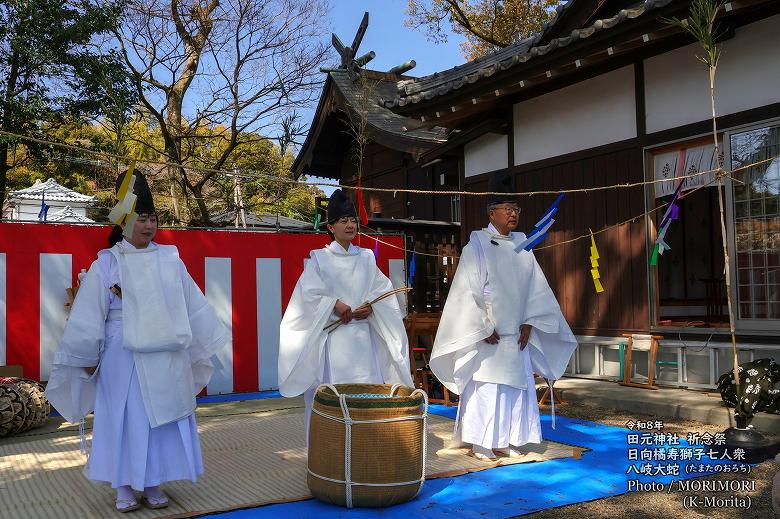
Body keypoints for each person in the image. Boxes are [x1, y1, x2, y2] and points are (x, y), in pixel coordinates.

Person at [45, 171, 230, 512]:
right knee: (124, 415)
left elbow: (192, 304)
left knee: (159, 417)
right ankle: (124, 485)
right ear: (125, 221)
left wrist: (197, 342)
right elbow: (90, 313)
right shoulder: (107, 263)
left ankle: (155, 481)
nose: (148, 226)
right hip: (122, 351)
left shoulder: (170, 260)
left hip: (164, 351)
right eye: (141, 219)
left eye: (153, 219)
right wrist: (87, 352)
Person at [430, 171, 577, 460]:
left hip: (516, 335)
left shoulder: (524, 246)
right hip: (489, 333)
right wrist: (481, 325)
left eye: (516, 209)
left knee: (513, 389)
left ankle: (506, 439)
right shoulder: (478, 246)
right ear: (491, 212)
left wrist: (530, 321)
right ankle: (482, 443)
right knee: (488, 388)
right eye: (507, 209)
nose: (513, 215)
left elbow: (537, 289)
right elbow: (465, 292)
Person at [278, 189, 413, 442]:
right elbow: (308, 295)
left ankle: (365, 448)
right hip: (335, 340)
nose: (350, 225)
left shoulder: (366, 257)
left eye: (352, 220)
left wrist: (372, 305)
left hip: (364, 337)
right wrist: (334, 304)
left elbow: (381, 290)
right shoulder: (320, 259)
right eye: (343, 221)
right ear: (330, 227)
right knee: (334, 394)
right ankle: (330, 451)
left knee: (367, 392)